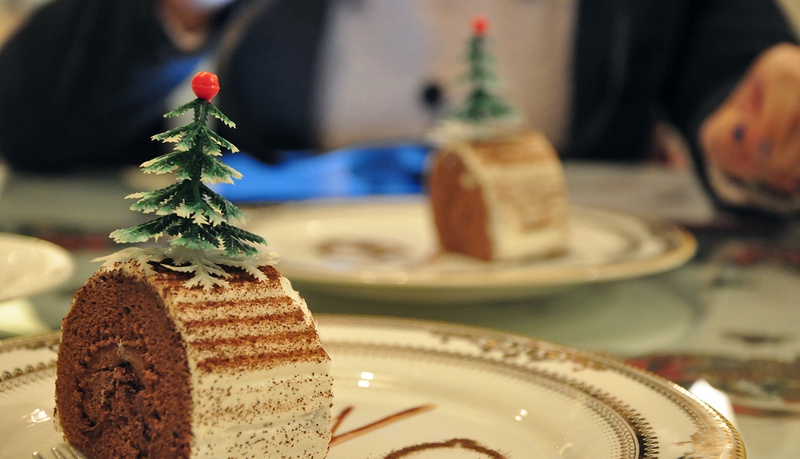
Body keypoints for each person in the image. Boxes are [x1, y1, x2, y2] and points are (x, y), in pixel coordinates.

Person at [0, 0, 799, 216]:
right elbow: (30, 120)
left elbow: (742, 75)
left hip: (581, 293)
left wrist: (770, 130)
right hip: (278, 278)